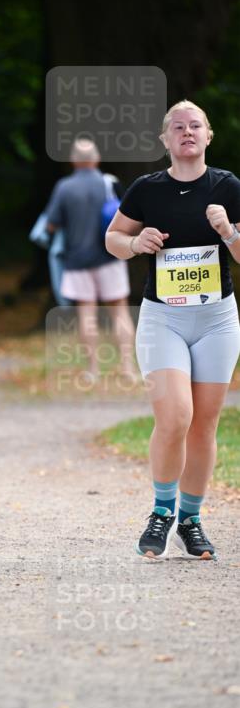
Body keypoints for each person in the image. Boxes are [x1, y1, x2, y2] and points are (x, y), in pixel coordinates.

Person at [106, 100, 240, 559]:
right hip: (163, 318)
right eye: (177, 127)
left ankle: (191, 519)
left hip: (217, 319)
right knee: (175, 416)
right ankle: (162, 512)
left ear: (208, 136)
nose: (187, 132)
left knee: (204, 424)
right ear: (165, 140)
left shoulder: (228, 186)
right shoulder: (147, 189)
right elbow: (113, 238)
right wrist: (134, 242)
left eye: (195, 125)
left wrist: (229, 233)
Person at [47, 138, 137, 382]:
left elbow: (52, 224)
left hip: (77, 260)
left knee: (87, 314)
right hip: (111, 257)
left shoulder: (64, 187)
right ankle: (128, 368)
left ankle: (93, 370)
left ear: (74, 161)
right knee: (119, 311)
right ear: (96, 159)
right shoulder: (110, 183)